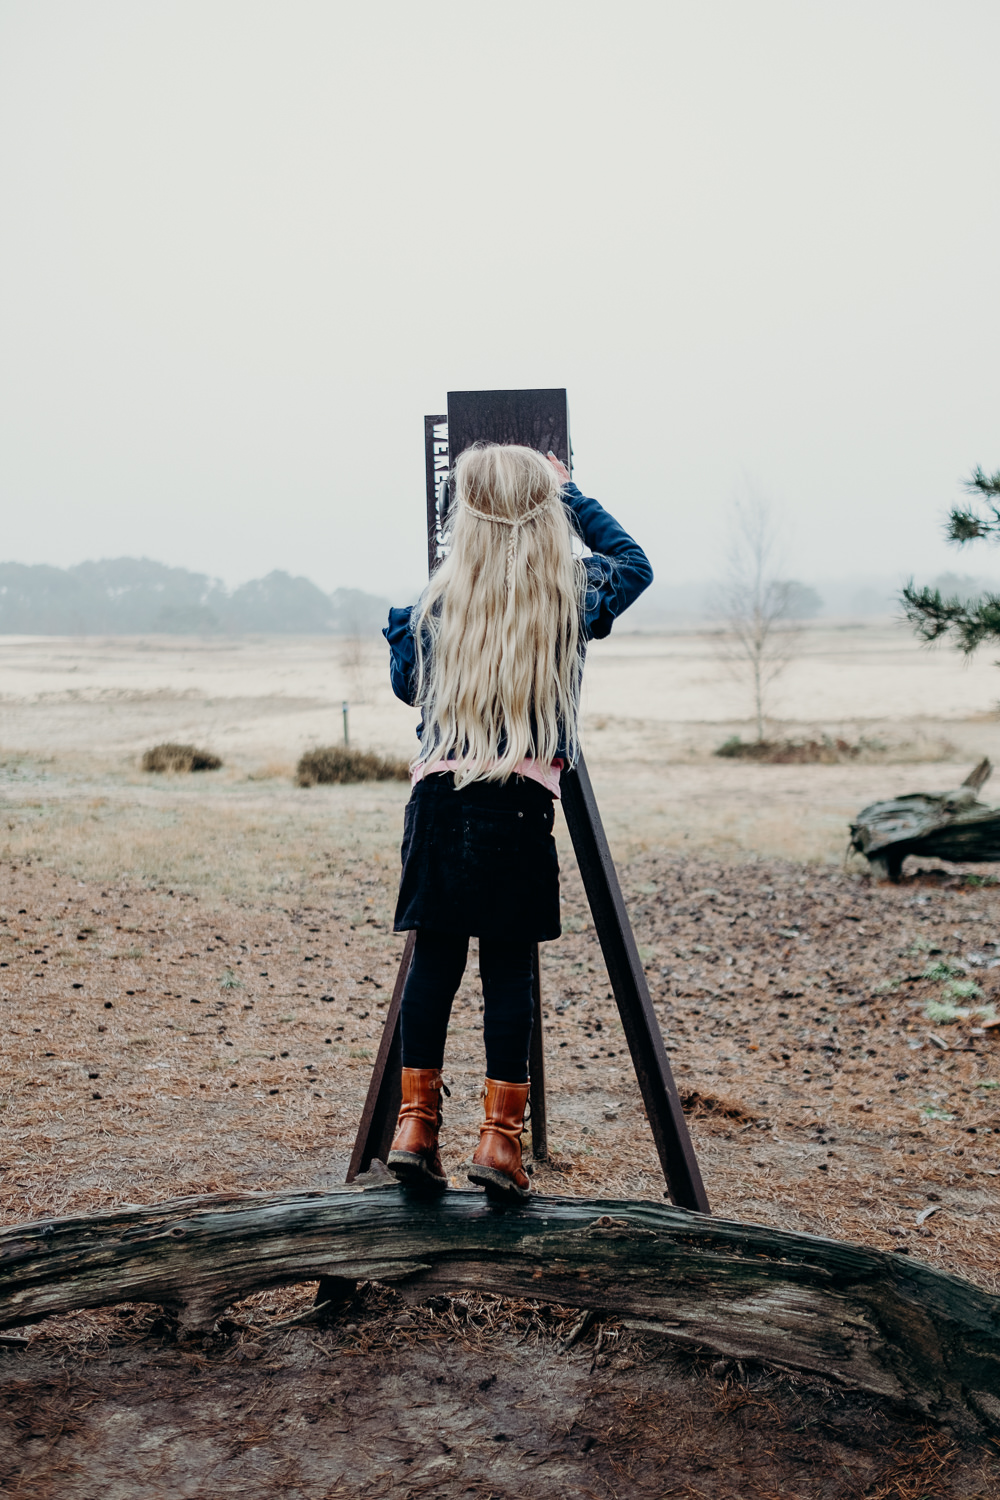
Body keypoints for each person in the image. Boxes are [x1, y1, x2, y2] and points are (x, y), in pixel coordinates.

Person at [382, 443, 652, 1200]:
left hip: (436, 803)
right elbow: (634, 563)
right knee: (507, 973)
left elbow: (409, 688)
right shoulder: (569, 597)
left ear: (463, 518)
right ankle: (499, 1145)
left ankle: (415, 1129)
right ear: (547, 515)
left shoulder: (435, 608)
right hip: (521, 805)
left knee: (432, 962)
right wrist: (570, 495)